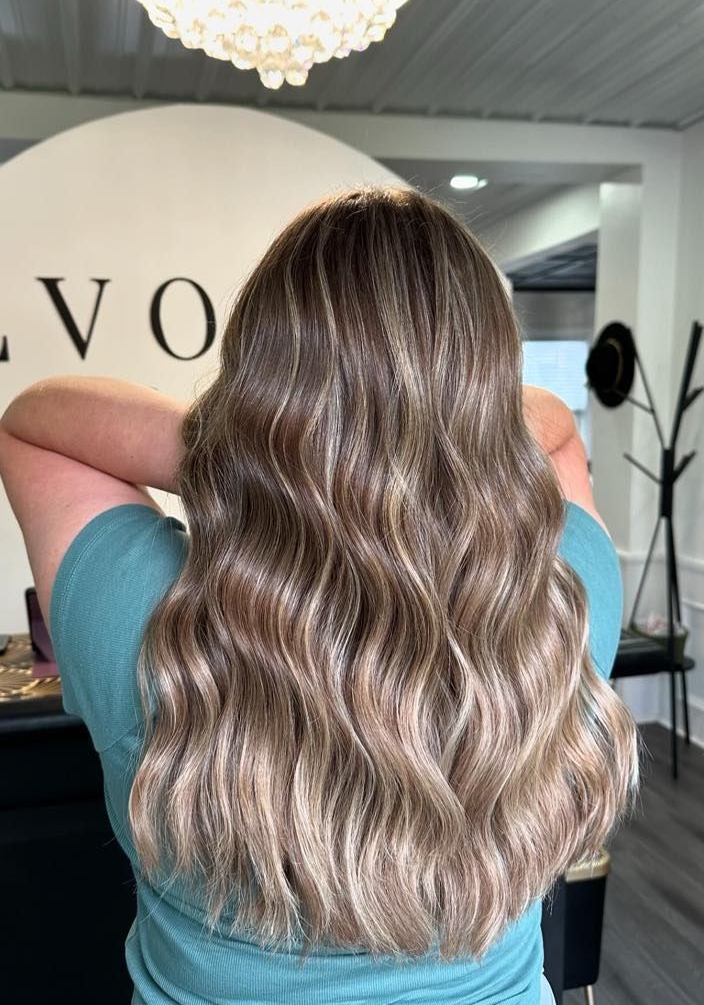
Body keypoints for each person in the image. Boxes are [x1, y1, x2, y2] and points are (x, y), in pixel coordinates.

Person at [0, 187, 638, 1005]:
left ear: (258, 385)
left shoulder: (149, 629)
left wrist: (258, 456)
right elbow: (551, 425)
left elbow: (33, 421)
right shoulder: (561, 616)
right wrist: (428, 443)